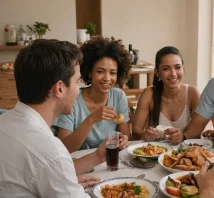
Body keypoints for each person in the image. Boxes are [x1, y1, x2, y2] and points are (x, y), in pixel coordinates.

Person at [0, 39, 127, 197]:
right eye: (77, 81)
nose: (79, 87)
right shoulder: (51, 152)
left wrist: (95, 157)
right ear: (60, 88)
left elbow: (42, 172)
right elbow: (51, 162)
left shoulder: (4, 122)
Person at [54, 36, 132, 152]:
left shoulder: (118, 96)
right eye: (100, 71)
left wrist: (124, 140)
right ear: (89, 73)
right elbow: (64, 149)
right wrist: (91, 119)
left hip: (109, 161)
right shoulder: (72, 99)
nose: (107, 78)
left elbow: (126, 137)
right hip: (81, 164)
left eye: (112, 73)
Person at [132, 46, 200, 141]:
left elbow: (198, 133)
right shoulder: (148, 94)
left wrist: (183, 137)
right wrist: (144, 135)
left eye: (177, 67)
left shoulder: (193, 93)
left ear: (183, 69)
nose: (173, 73)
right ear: (157, 72)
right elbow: (135, 131)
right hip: (155, 152)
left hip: (184, 153)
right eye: (166, 69)